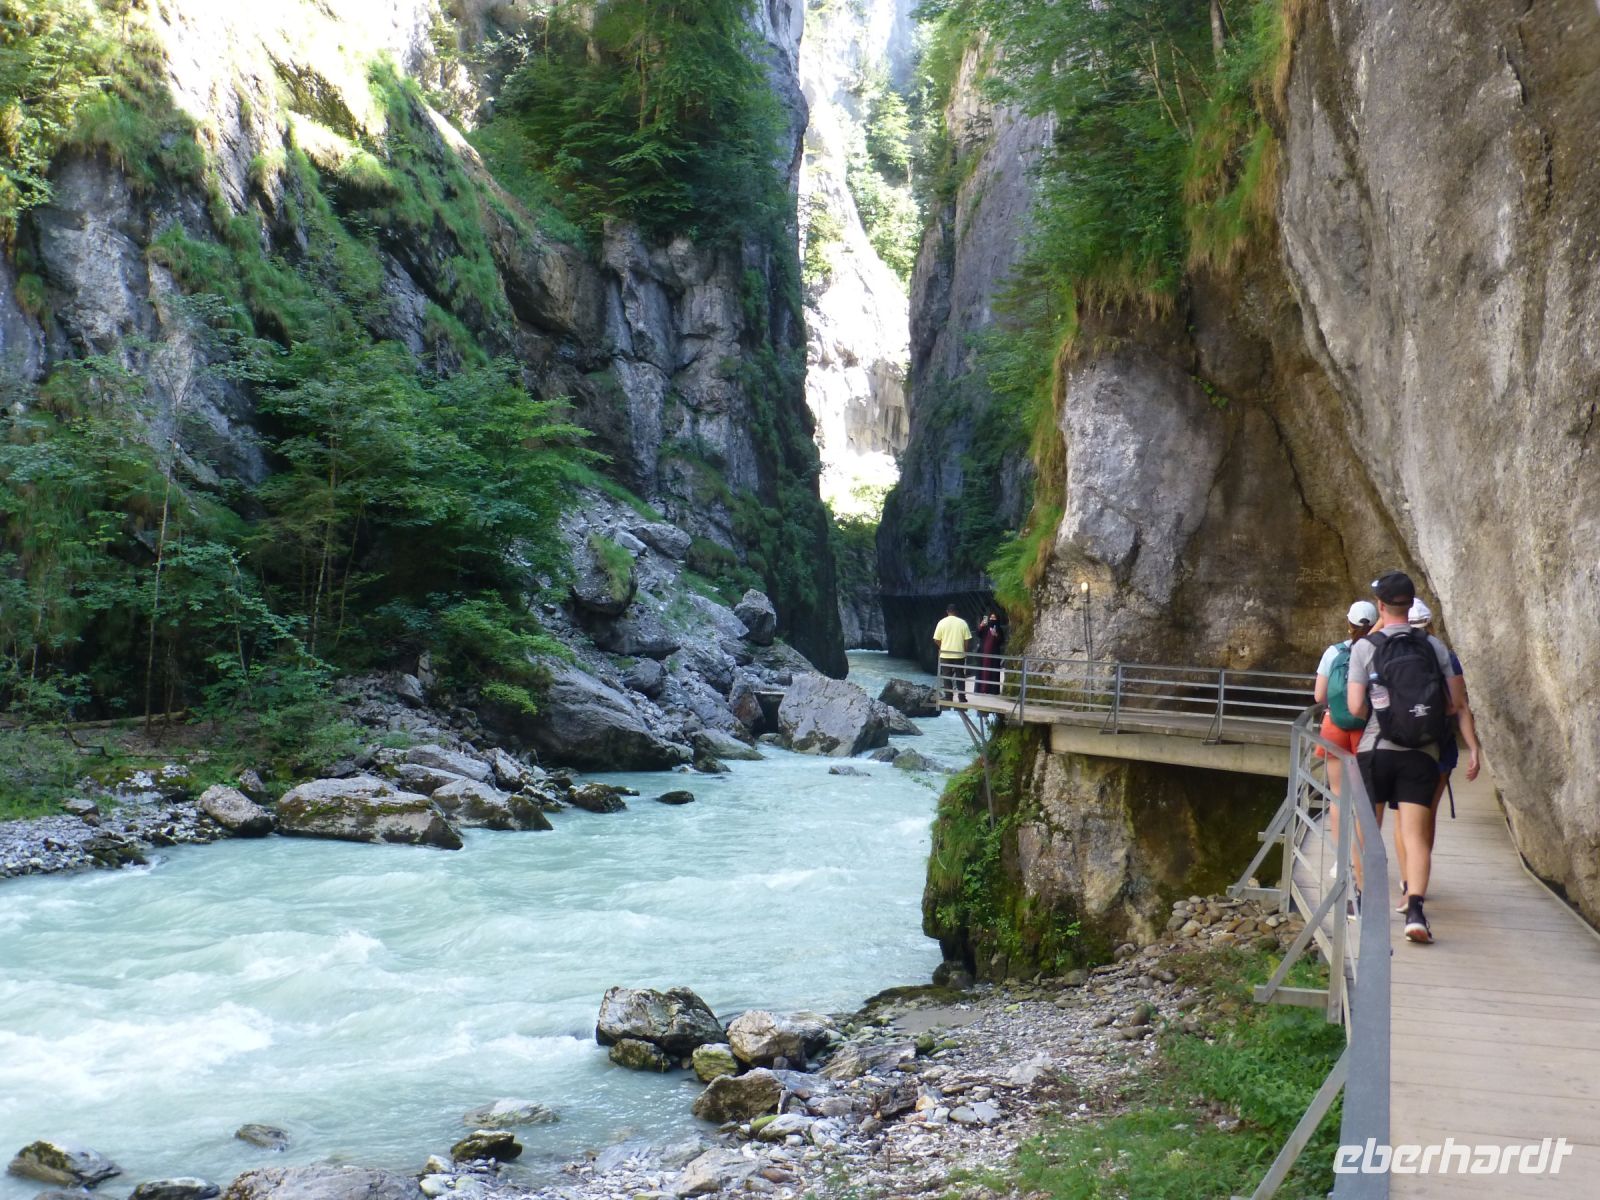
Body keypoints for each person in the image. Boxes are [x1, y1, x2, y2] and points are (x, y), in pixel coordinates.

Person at [1346, 571, 1471, 945]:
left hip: (1376, 748)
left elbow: (1354, 707)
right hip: (1422, 753)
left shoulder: (1366, 647)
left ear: (1381, 607)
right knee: (1415, 835)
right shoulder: (1434, 648)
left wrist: (1382, 703)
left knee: (1369, 828)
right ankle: (1415, 910)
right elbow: (1455, 704)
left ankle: (1364, 900)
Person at [1391, 598, 1482, 913]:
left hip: (1400, 745)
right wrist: (1473, 748)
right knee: (1425, 815)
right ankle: (1417, 887)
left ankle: (1407, 883)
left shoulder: (1387, 652)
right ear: (1430, 623)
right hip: (1438, 746)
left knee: (1403, 818)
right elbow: (1459, 706)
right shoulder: (1446, 656)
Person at [1313, 600, 1378, 890]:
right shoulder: (1379, 649)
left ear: (1348, 623)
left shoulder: (1334, 652)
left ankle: (1341, 859)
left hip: (1335, 725)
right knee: (1366, 798)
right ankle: (1364, 859)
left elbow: (1319, 696)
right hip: (1368, 728)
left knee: (1339, 795)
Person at [932, 604, 972, 702]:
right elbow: (967, 640)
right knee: (960, 676)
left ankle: (949, 697)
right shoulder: (963, 623)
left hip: (945, 654)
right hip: (959, 653)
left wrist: (942, 647)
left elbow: (936, 639)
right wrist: (965, 651)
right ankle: (962, 697)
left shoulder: (941, 622)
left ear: (947, 611)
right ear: (956, 612)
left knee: (946, 675)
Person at [974, 610, 1007, 695]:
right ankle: (980, 689)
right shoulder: (985, 627)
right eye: (991, 617)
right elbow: (978, 634)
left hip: (993, 654)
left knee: (993, 672)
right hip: (983, 653)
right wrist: (981, 625)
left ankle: (992, 690)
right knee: (982, 672)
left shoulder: (999, 629)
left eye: (994, 617)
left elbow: (1002, 641)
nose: (992, 619)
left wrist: (996, 635)